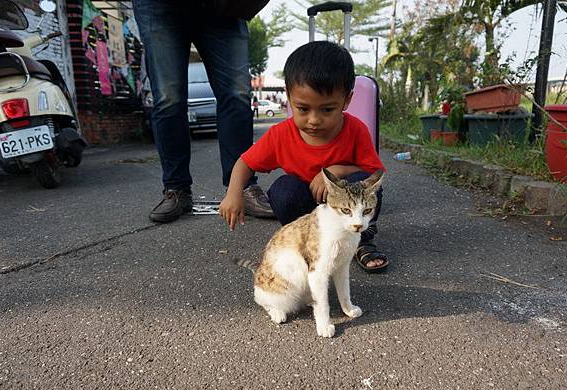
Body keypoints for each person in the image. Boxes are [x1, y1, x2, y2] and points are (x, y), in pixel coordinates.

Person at [220, 41, 388, 272]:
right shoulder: (280, 135)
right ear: (288, 97)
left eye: (327, 109)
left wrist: (336, 172)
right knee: (283, 191)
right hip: (305, 207)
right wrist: (233, 194)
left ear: (346, 100)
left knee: (368, 187)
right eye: (303, 109)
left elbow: (374, 174)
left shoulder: (356, 129)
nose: (314, 120)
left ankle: (361, 242)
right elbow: (244, 163)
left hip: (346, 210)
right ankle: (307, 244)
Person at [132, 0, 274, 223]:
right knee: (168, 98)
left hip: (223, 6)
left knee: (237, 94)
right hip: (157, 5)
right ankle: (176, 188)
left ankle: (243, 186)